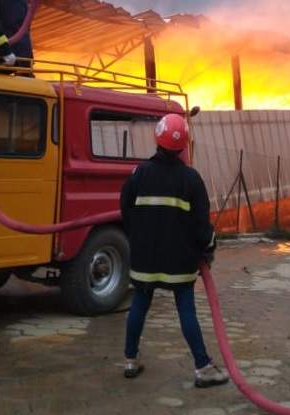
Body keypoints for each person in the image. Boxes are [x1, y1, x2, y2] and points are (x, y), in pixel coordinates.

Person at [119, 113, 229, 388]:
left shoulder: (139, 174)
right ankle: (203, 367)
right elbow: (202, 226)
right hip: (179, 262)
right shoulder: (191, 179)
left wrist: (138, 238)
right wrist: (208, 248)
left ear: (157, 138)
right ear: (183, 146)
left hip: (145, 259)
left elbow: (125, 211)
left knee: (139, 304)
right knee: (186, 309)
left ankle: (130, 360)